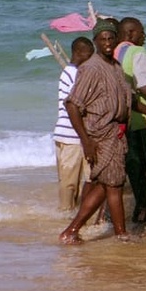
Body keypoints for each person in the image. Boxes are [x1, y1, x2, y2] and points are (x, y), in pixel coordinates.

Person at [58, 19, 132, 244]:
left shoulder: (115, 67)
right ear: (96, 42)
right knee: (114, 185)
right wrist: (86, 141)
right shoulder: (91, 67)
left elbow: (128, 100)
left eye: (111, 38)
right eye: (103, 39)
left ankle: (72, 231)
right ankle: (120, 234)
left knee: (105, 184)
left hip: (116, 133)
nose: (108, 43)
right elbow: (72, 104)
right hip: (101, 134)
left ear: (117, 40)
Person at [114, 17, 146, 223]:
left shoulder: (115, 53)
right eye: (142, 32)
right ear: (131, 33)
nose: (145, 36)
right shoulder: (138, 53)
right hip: (139, 121)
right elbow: (143, 87)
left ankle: (117, 215)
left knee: (132, 169)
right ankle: (143, 214)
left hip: (121, 121)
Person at [53, 36, 94, 212]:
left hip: (69, 135)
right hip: (72, 136)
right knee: (70, 182)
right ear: (79, 53)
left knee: (73, 180)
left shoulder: (71, 72)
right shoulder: (74, 73)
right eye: (89, 54)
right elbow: (76, 105)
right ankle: (65, 214)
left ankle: (71, 212)